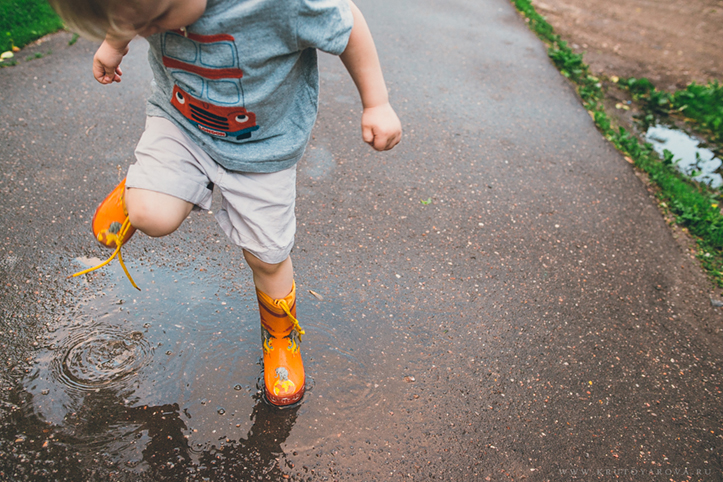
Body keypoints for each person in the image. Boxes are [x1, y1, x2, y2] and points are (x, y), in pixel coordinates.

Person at [50, 0, 402, 406]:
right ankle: (146, 186)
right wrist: (115, 42)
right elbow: (129, 11)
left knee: (267, 257)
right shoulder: (144, 8)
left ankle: (280, 336)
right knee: (153, 216)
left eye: (156, 22)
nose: (150, 32)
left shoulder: (279, 4)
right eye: (138, 26)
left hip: (263, 150)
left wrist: (377, 102)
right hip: (181, 124)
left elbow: (349, 24)